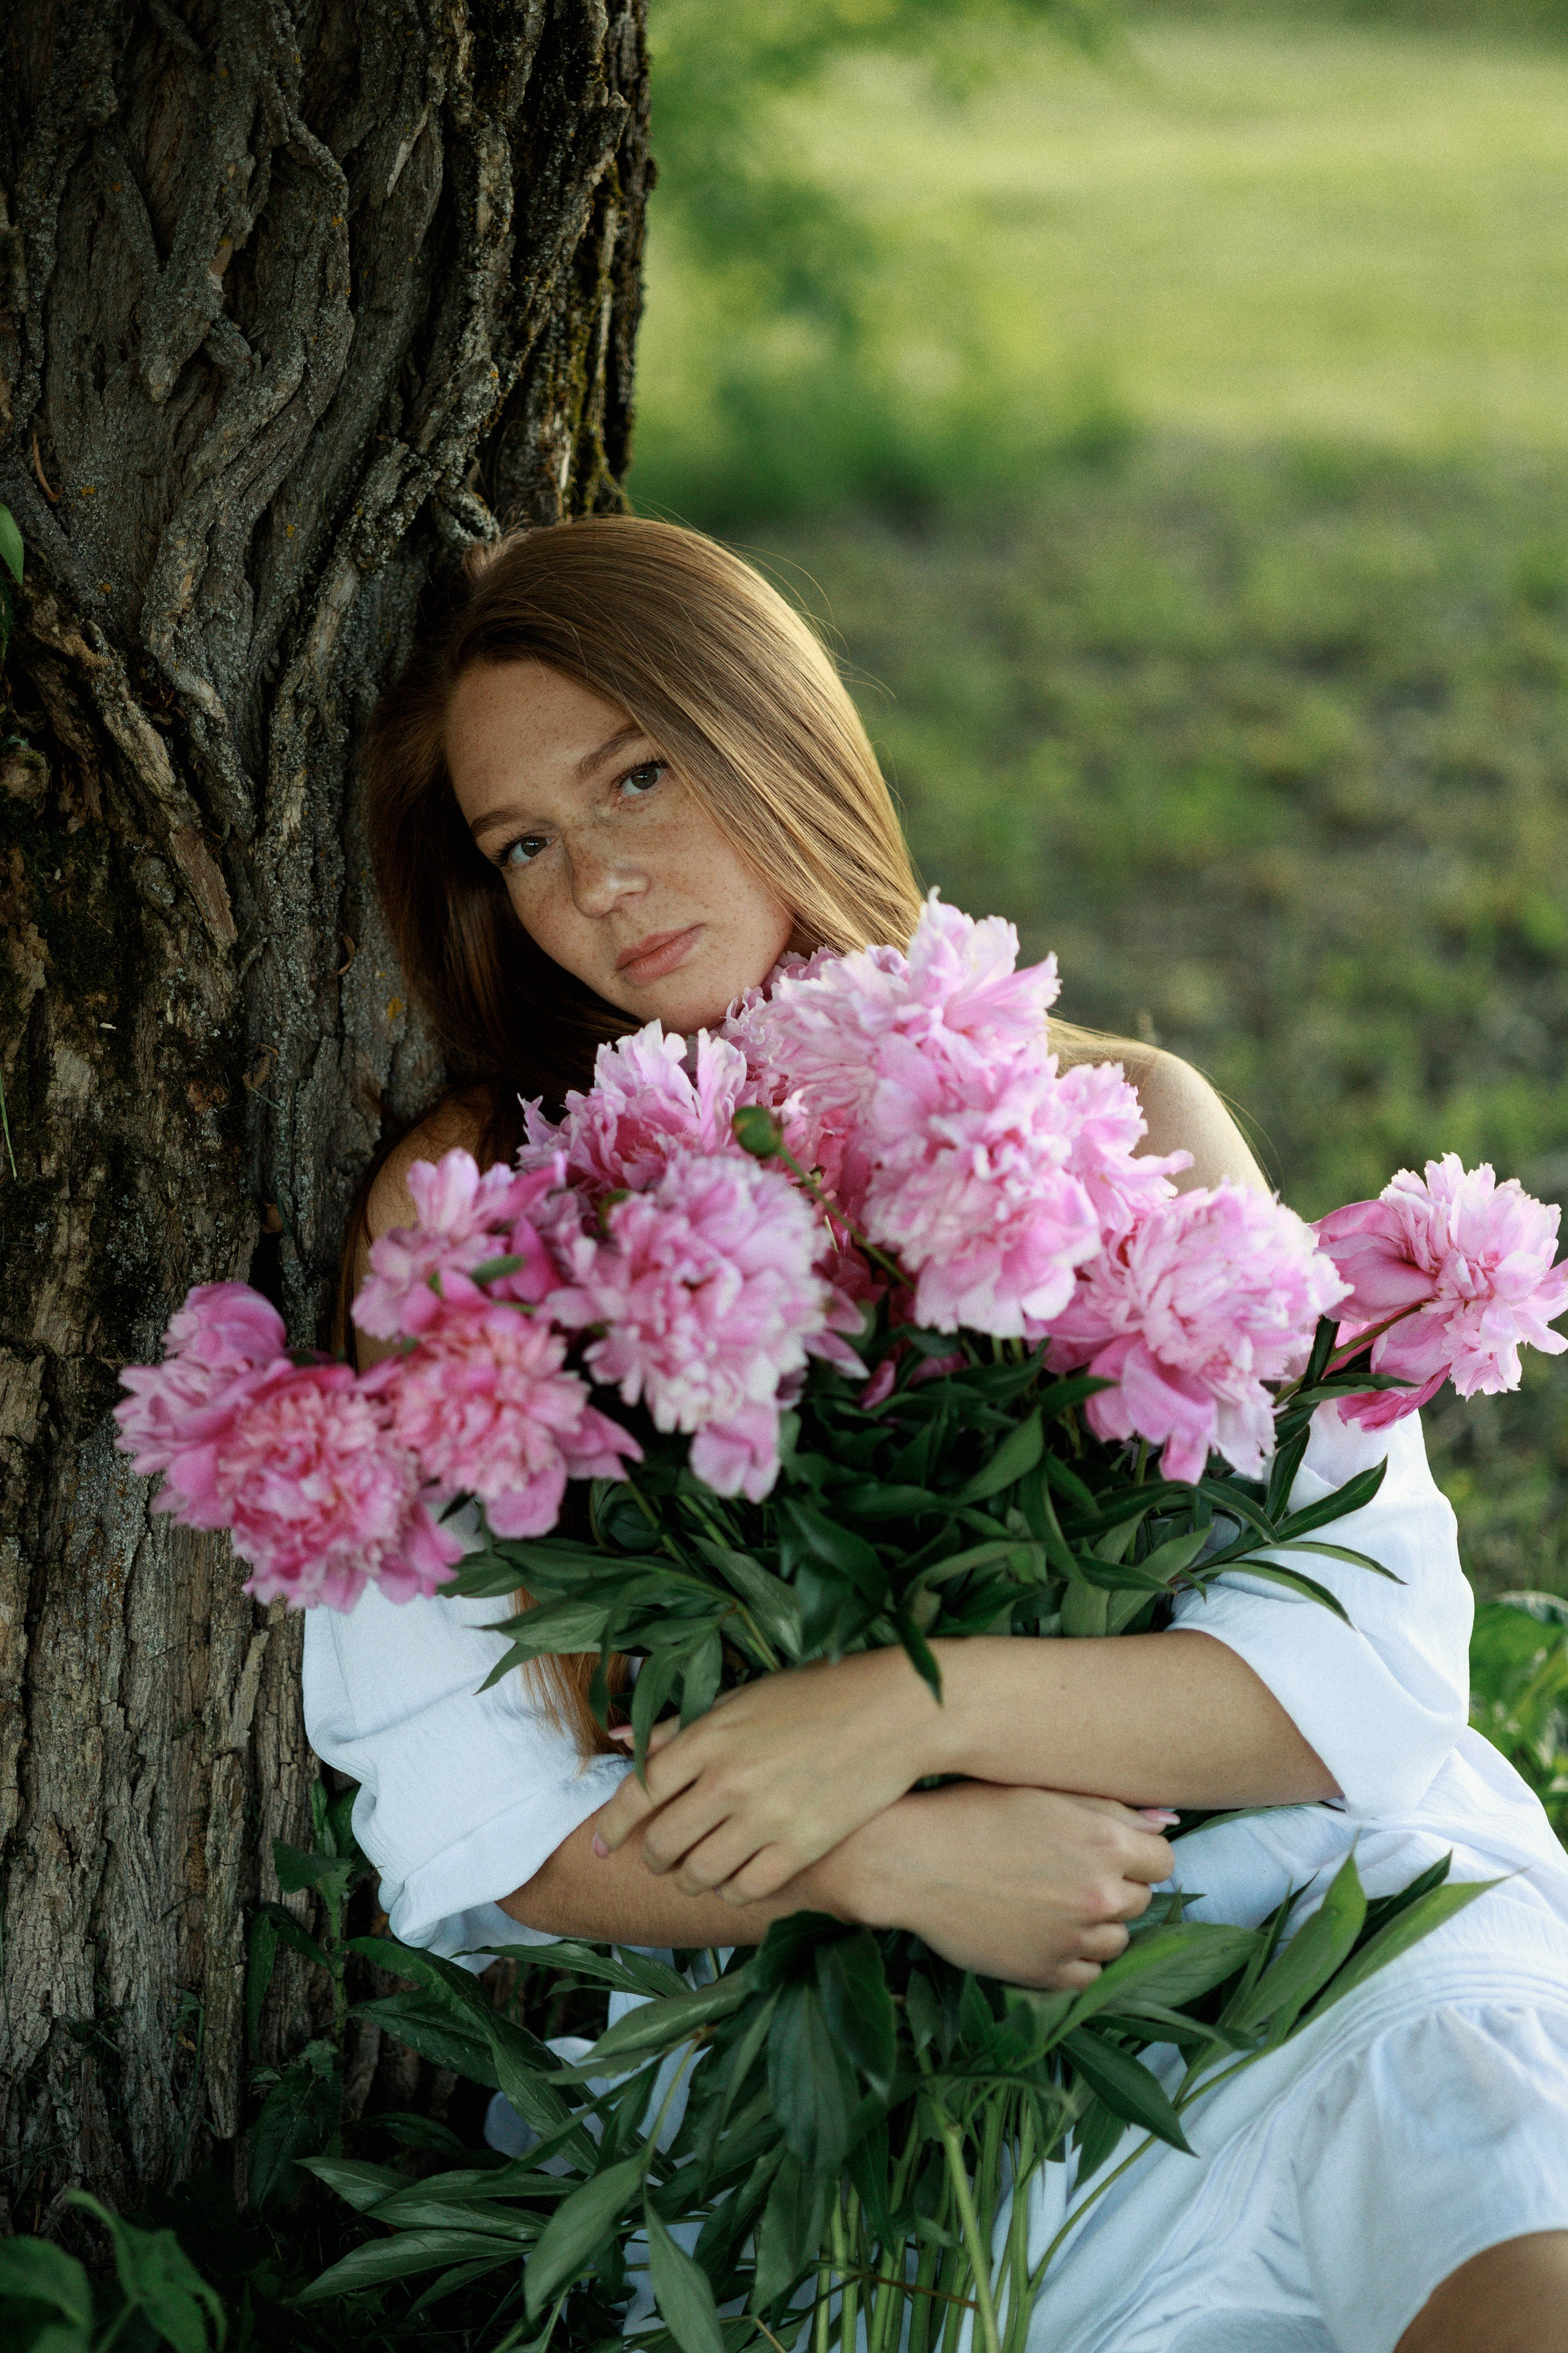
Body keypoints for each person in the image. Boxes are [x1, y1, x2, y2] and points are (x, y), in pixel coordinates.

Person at [304, 516, 1568, 2353]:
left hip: (1318, 1951)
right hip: (868, 2105)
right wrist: (867, 1858)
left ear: (775, 732)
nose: (598, 881)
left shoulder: (1111, 1112)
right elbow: (467, 1821)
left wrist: (906, 1711)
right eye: (527, 843)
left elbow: (1363, 1662)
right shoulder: (491, 1211)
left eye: (639, 774)